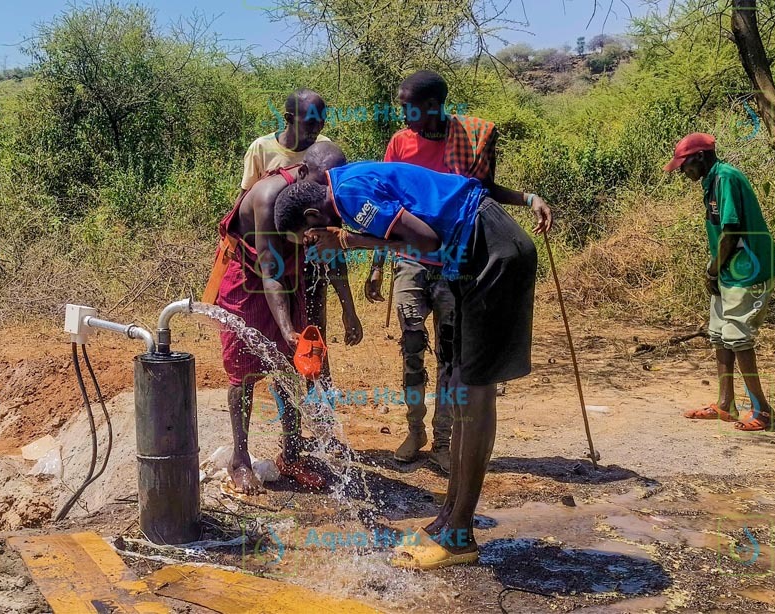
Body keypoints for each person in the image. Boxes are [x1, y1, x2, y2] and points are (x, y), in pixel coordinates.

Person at [273, 161, 538, 569]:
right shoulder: (347, 183)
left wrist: (349, 242)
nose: (312, 246)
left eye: (308, 237)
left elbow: (427, 242)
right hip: (475, 253)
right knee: (463, 388)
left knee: (475, 391)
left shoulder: (349, 196)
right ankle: (449, 519)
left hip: (492, 252)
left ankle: (458, 536)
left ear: (314, 217)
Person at [363, 70, 553, 472]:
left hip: (456, 262)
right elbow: (384, 203)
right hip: (411, 261)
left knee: (451, 357)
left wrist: (529, 198)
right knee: (412, 348)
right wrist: (378, 266)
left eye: (408, 105)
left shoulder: (467, 140)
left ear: (433, 106)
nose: (402, 113)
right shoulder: (400, 142)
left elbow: (483, 193)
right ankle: (415, 431)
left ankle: (444, 440)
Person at [215, 142, 362, 495]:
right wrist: (286, 327)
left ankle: (292, 453)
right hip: (249, 283)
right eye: (322, 184)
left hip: (289, 282)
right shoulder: (267, 198)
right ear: (302, 173)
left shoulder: (325, 199)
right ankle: (240, 459)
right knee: (244, 371)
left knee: (289, 367)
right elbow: (269, 269)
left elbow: (331, 252)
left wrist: (349, 308)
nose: (328, 193)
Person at [229, 89, 350, 379]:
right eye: (309, 123)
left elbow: (332, 214)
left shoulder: (324, 149)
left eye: (321, 123)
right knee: (263, 342)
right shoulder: (262, 150)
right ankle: (285, 395)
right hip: (268, 250)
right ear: (288, 119)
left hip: (308, 257)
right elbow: (248, 202)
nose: (316, 130)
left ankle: (316, 402)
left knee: (312, 336)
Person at [664, 133, 775, 431]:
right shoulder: (711, 180)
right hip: (729, 268)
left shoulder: (725, 177)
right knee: (719, 336)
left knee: (739, 338)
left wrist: (713, 270)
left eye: (684, 165)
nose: (682, 171)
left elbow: (730, 231)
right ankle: (725, 404)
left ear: (700, 157)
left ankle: (762, 411)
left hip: (747, 269)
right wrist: (715, 268)